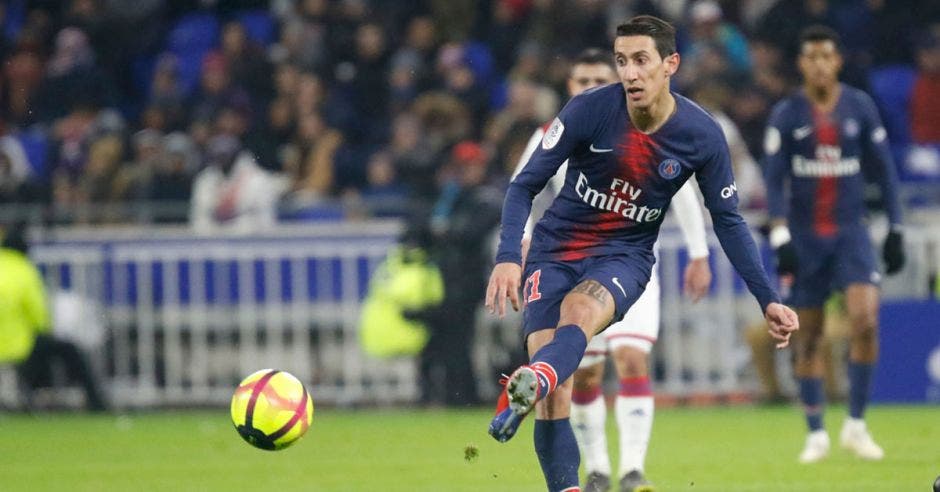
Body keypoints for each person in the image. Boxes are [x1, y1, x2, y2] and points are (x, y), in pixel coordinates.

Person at [485, 16, 799, 492]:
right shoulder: (589, 110)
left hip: (623, 255)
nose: (629, 73)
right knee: (556, 396)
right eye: (622, 62)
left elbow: (728, 221)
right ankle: (550, 420)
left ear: (670, 64)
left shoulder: (700, 134)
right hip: (556, 249)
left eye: (641, 61)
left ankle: (539, 382)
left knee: (580, 312)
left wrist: (768, 297)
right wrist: (509, 255)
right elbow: (523, 185)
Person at [510, 48, 712, 492]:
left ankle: (633, 470)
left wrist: (699, 253)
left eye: (596, 79)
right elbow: (524, 184)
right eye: (580, 81)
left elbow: (682, 193)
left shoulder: (651, 129)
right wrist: (521, 240)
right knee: (582, 371)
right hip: (572, 262)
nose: (588, 89)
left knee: (633, 358)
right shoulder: (556, 131)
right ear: (570, 87)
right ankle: (598, 470)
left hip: (626, 260)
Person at [763, 25, 905, 463]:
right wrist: (780, 233)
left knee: (865, 320)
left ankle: (857, 425)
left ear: (838, 60)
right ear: (802, 63)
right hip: (805, 239)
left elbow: (884, 171)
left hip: (851, 234)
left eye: (827, 55)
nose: (820, 64)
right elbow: (773, 180)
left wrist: (896, 227)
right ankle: (816, 432)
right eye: (812, 57)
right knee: (809, 338)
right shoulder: (787, 114)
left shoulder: (860, 108)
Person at [0, 223, 107, 411]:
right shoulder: (24, 271)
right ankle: (96, 403)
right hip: (16, 346)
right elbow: (38, 315)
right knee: (68, 351)